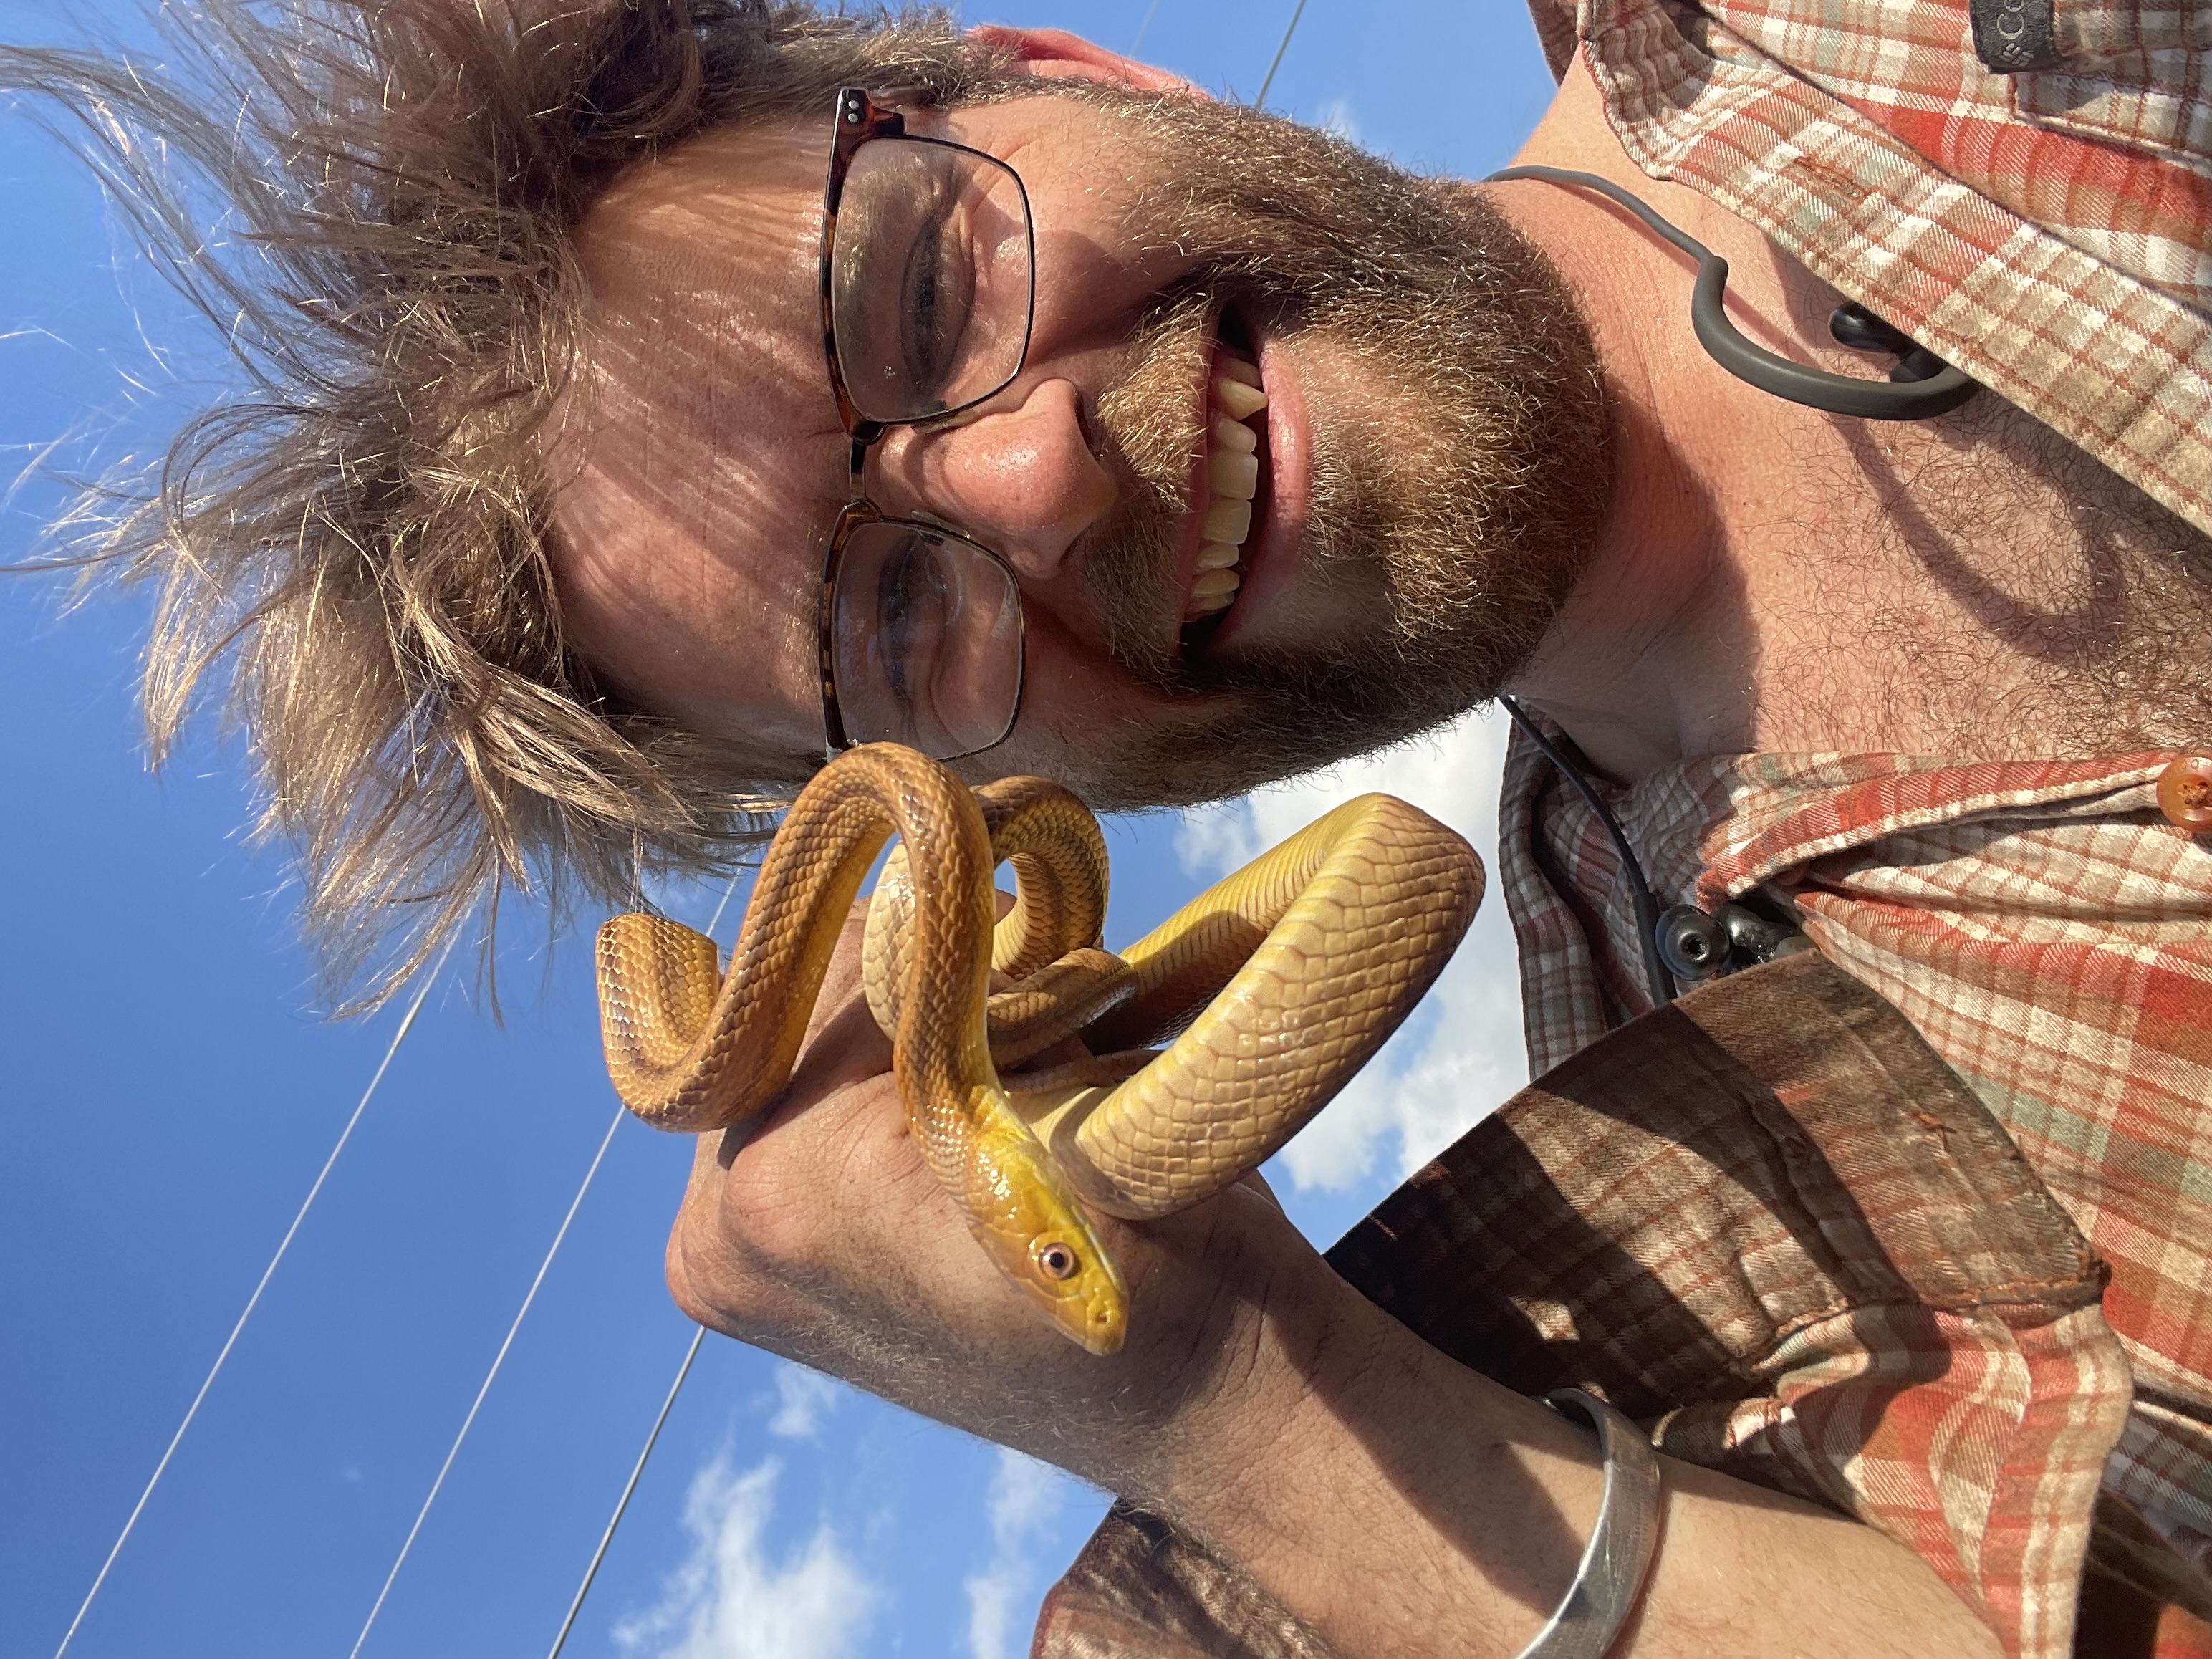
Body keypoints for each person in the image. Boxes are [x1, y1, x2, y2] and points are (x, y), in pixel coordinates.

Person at [6, 0, 2208, 1653]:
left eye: (917, 286)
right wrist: (1234, 1406)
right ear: (973, 787)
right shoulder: (1727, 1228)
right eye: (885, 614)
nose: (1039, 485)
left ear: (1072, 66)